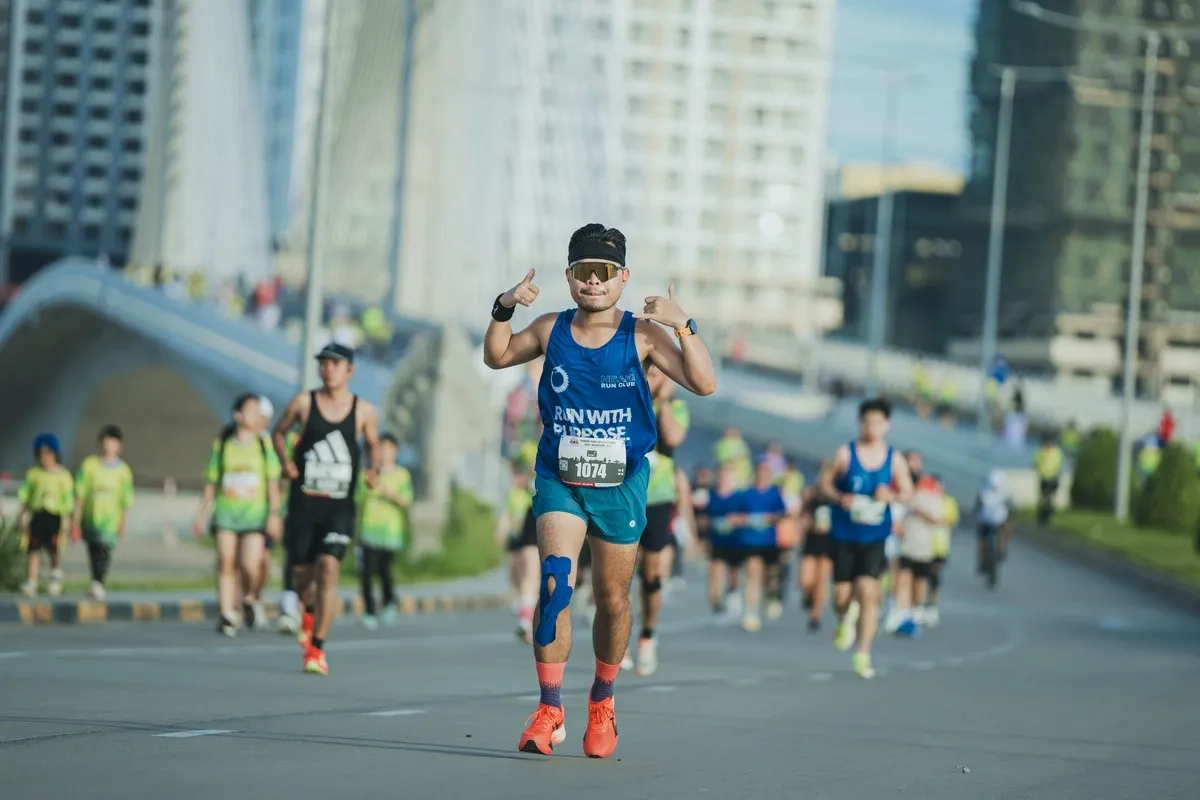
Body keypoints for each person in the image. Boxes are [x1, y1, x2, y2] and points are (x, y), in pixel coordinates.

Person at [482, 223, 716, 758]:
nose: (593, 281)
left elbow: (704, 383)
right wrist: (504, 306)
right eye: (583, 271)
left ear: (622, 277)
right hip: (560, 478)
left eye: (603, 272)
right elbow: (497, 356)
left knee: (612, 600)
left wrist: (684, 325)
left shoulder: (644, 335)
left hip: (621, 484)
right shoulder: (550, 329)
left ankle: (602, 699)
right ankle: (549, 708)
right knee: (555, 585)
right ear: (569, 277)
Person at [273, 343, 381, 676]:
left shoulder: (363, 411)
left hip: (339, 507)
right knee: (302, 575)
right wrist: (286, 462)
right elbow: (278, 432)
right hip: (304, 504)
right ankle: (307, 611)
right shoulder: (304, 403)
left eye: (335, 364)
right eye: (323, 364)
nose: (328, 369)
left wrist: (373, 470)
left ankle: (317, 648)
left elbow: (373, 444)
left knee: (329, 567)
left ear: (350, 370)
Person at [819, 398, 913, 679]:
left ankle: (863, 652)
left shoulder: (894, 458)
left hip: (875, 537)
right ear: (860, 424)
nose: (872, 427)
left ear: (887, 425)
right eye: (868, 422)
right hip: (845, 534)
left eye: (878, 422)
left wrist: (892, 495)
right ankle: (845, 618)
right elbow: (823, 483)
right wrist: (840, 497)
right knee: (841, 597)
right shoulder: (845, 454)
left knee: (869, 592)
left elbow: (908, 491)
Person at [193, 394, 283, 637]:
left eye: (258, 411)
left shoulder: (264, 446)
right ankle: (227, 614)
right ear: (238, 415)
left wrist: (275, 515)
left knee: (250, 564)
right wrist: (201, 515)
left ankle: (250, 597)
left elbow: (273, 485)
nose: (256, 415)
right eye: (251, 410)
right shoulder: (223, 445)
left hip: (254, 517)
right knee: (225, 559)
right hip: (226, 515)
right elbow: (211, 484)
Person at [634, 364, 691, 676]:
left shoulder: (676, 408)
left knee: (652, 573)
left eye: (658, 375)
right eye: (649, 373)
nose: (651, 379)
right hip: (626, 495)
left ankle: (648, 634)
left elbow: (673, 436)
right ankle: (616, 639)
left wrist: (664, 401)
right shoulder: (629, 399)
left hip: (658, 499)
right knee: (617, 572)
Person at [71, 425, 135, 601]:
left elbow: (126, 499)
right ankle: (95, 580)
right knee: (93, 549)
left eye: (113, 441)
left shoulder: (123, 471)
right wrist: (75, 519)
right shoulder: (89, 466)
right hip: (91, 518)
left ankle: (99, 582)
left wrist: (123, 521)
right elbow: (80, 493)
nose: (109, 445)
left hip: (111, 521)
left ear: (120, 445)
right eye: (106, 440)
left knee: (104, 549)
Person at [356, 433, 413, 630]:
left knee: (384, 571)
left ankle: (389, 602)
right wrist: (369, 483)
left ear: (396, 452)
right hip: (369, 530)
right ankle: (369, 610)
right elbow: (358, 498)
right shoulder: (367, 474)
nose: (384, 453)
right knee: (366, 572)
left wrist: (391, 494)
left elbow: (407, 500)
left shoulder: (401, 475)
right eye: (380, 449)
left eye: (388, 449)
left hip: (390, 532)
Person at [728, 456, 790, 632]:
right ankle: (751, 612)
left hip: (769, 541)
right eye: (760, 472)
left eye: (765, 472)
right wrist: (744, 520)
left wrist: (771, 518)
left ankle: (771, 596)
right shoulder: (746, 494)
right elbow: (734, 516)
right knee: (752, 573)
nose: (762, 475)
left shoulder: (774, 494)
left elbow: (783, 514)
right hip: (750, 540)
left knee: (770, 575)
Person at [18, 434, 74, 598]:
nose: (45, 458)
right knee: (33, 549)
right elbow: (26, 496)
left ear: (55, 454)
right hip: (38, 514)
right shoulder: (34, 474)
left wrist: (69, 520)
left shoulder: (63, 476)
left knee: (53, 549)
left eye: (48, 454)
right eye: (41, 454)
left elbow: (68, 500)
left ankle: (55, 576)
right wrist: (22, 515)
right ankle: (32, 581)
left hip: (55, 516)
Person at [892, 472, 946, 636]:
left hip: (924, 549)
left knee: (920, 583)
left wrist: (922, 512)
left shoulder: (935, 501)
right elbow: (898, 521)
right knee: (904, 580)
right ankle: (903, 614)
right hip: (907, 547)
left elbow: (938, 520)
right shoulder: (910, 499)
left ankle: (915, 611)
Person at [500, 458, 538, 644]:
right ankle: (526, 612)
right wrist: (501, 531)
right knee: (518, 576)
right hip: (519, 537)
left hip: (535, 535)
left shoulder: (532, 489)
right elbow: (508, 514)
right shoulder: (513, 493)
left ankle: (528, 620)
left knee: (531, 577)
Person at [797, 479, 833, 632]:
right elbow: (801, 516)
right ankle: (808, 596)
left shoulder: (837, 497)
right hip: (811, 542)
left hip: (829, 543)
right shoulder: (811, 496)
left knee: (821, 581)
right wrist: (807, 523)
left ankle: (815, 615)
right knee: (806, 580)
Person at [975, 470, 1012, 579]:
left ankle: (1003, 548)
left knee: (1006, 529)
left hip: (999, 520)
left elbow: (1011, 506)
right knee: (982, 539)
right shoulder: (983, 493)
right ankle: (981, 559)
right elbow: (977, 505)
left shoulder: (1005, 494)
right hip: (986, 521)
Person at [1033, 435, 1064, 526]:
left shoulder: (1056, 452)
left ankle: (1047, 516)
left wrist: (1055, 474)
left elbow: (1058, 464)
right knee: (1044, 498)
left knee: (1048, 498)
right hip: (1044, 477)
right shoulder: (1041, 452)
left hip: (1052, 478)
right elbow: (1036, 462)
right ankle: (1043, 516)